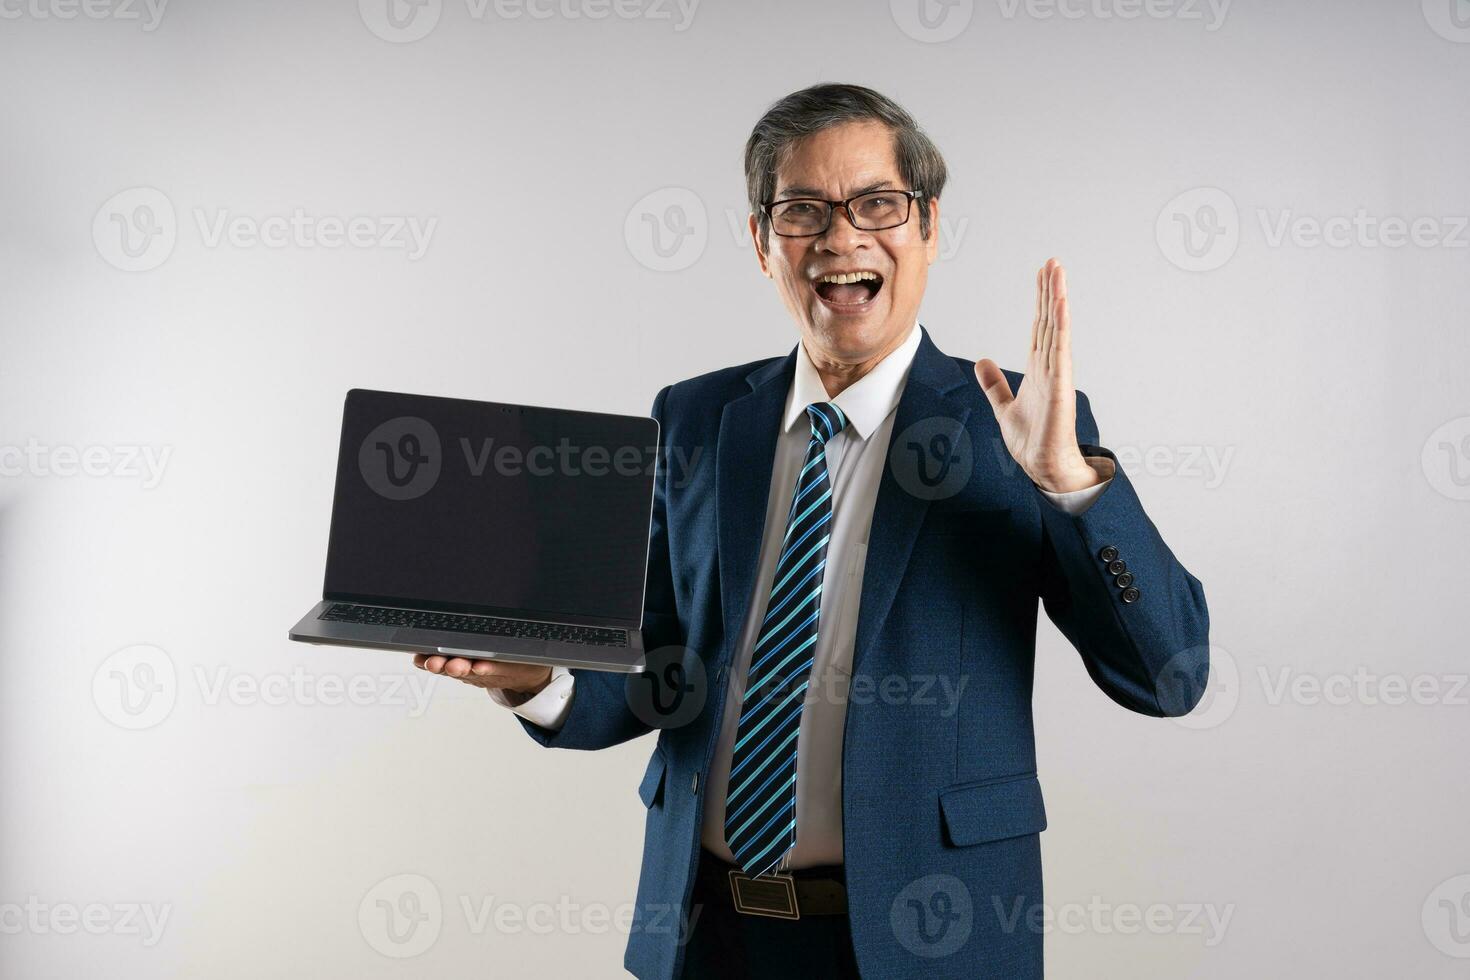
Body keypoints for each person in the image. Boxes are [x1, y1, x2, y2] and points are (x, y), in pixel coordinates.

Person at [414, 82, 1210, 980]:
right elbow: (666, 667)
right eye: (803, 211)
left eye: (877, 203)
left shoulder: (1016, 427)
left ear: (928, 228)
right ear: (763, 242)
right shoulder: (698, 416)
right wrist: (538, 680)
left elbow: (1169, 675)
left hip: (931, 936)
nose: (841, 237)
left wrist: (1069, 486)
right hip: (707, 932)